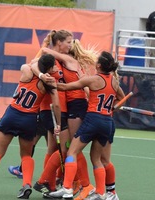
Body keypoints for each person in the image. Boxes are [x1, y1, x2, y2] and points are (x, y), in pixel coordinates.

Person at [0, 54, 61, 199]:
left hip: (12, 114)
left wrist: (38, 71)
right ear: (50, 68)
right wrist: (58, 123)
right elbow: (56, 104)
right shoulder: (50, 82)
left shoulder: (28, 72)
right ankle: (26, 185)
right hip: (29, 119)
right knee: (26, 155)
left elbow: (27, 65)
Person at [47, 51, 125, 200]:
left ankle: (67, 188)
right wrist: (114, 106)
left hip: (93, 119)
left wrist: (51, 83)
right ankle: (101, 193)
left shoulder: (93, 80)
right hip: (107, 122)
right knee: (96, 159)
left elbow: (65, 87)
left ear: (99, 65)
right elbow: (121, 99)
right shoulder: (115, 82)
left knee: (72, 152)